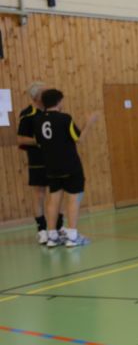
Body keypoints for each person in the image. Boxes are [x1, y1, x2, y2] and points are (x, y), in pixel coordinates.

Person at [36, 89, 97, 248]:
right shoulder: (64, 118)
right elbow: (79, 139)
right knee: (73, 199)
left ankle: (52, 236)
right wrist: (89, 123)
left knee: (53, 200)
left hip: (51, 166)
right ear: (58, 101)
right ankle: (72, 236)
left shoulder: (39, 120)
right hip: (70, 166)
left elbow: (39, 142)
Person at [15, 81, 53, 244]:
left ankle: (56, 228)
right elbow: (20, 139)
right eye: (44, 92)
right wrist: (39, 140)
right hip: (38, 160)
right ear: (36, 96)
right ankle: (42, 229)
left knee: (56, 193)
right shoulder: (28, 114)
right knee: (40, 194)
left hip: (54, 159)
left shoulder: (51, 111)